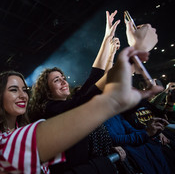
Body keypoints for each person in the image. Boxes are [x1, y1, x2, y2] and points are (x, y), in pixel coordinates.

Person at [0, 47, 163, 173]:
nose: (23, 95)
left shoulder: (24, 128)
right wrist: (123, 63)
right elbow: (90, 91)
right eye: (14, 90)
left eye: (24, 90)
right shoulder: (46, 115)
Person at [105, 114, 171, 174]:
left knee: (153, 149)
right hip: (127, 148)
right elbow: (114, 139)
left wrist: (151, 131)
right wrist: (146, 133)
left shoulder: (116, 114)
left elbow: (131, 130)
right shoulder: (100, 117)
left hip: (133, 144)